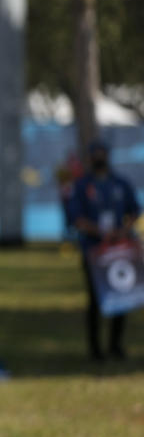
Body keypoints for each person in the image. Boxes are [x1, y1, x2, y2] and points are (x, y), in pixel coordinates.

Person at [67, 139, 141, 361]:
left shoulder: (120, 183)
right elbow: (77, 219)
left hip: (119, 250)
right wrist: (100, 232)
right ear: (90, 157)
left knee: (121, 296)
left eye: (103, 153)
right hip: (94, 252)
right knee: (95, 300)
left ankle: (115, 346)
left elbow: (135, 210)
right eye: (95, 154)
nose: (100, 158)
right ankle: (95, 350)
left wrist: (122, 231)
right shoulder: (82, 186)